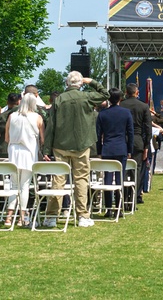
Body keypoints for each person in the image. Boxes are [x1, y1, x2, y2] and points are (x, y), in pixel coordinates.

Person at [41, 71, 110, 228]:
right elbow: (105, 94)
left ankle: (52, 216)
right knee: (81, 180)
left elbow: (50, 126)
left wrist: (46, 150)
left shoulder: (59, 99)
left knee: (58, 180)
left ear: (67, 83)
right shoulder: (86, 97)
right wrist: (91, 81)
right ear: (80, 84)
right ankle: (82, 216)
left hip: (60, 145)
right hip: (82, 144)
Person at [5, 92, 43, 226]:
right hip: (28, 153)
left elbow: (6, 138)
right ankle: (22, 217)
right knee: (24, 186)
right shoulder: (37, 118)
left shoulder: (12, 116)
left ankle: (8, 217)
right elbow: (42, 139)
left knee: (14, 185)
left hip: (14, 152)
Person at [96, 87, 133, 217]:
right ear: (120, 99)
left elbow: (98, 134)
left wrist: (99, 151)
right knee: (119, 179)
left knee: (107, 178)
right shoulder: (126, 113)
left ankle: (108, 209)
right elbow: (130, 133)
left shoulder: (102, 113)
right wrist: (130, 150)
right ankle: (119, 208)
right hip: (121, 148)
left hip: (107, 148)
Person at [120, 83, 152, 204]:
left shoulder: (121, 105)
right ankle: (135, 197)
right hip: (138, 141)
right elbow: (148, 128)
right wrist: (147, 146)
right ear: (136, 92)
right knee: (137, 170)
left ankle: (123, 196)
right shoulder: (143, 106)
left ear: (126, 92)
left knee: (123, 169)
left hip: (123, 140)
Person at [0, 93, 20, 159]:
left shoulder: (0, 116)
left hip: (3, 148)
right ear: (18, 102)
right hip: (18, 148)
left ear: (7, 102)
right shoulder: (22, 116)